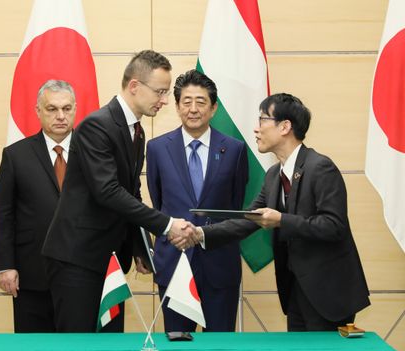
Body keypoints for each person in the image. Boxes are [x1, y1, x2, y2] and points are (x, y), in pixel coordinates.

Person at [182, 93, 370, 331]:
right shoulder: (273, 175)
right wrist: (200, 233)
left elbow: (333, 226)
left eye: (262, 120)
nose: (256, 129)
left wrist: (282, 220)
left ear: (284, 126)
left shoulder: (320, 167)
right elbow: (249, 219)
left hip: (327, 290)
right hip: (294, 289)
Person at [41, 50, 196, 333]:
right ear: (135, 86)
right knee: (79, 344)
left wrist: (140, 247)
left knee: (110, 342)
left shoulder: (136, 131)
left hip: (109, 258)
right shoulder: (96, 126)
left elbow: (131, 192)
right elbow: (108, 192)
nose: (164, 100)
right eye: (160, 92)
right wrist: (168, 224)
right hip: (78, 259)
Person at [146, 70, 249, 332]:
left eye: (201, 102)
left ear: (213, 108)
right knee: (178, 340)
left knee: (220, 343)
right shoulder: (157, 148)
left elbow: (235, 205)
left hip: (219, 261)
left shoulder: (235, 149)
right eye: (187, 101)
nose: (193, 109)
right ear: (178, 106)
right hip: (175, 260)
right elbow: (159, 203)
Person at [0, 79, 76, 332]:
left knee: (79, 345)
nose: (60, 116)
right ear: (38, 111)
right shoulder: (16, 155)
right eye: (51, 109)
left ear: (75, 109)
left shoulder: (93, 153)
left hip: (81, 274)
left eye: (67, 108)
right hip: (31, 273)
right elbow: (2, 215)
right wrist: (5, 265)